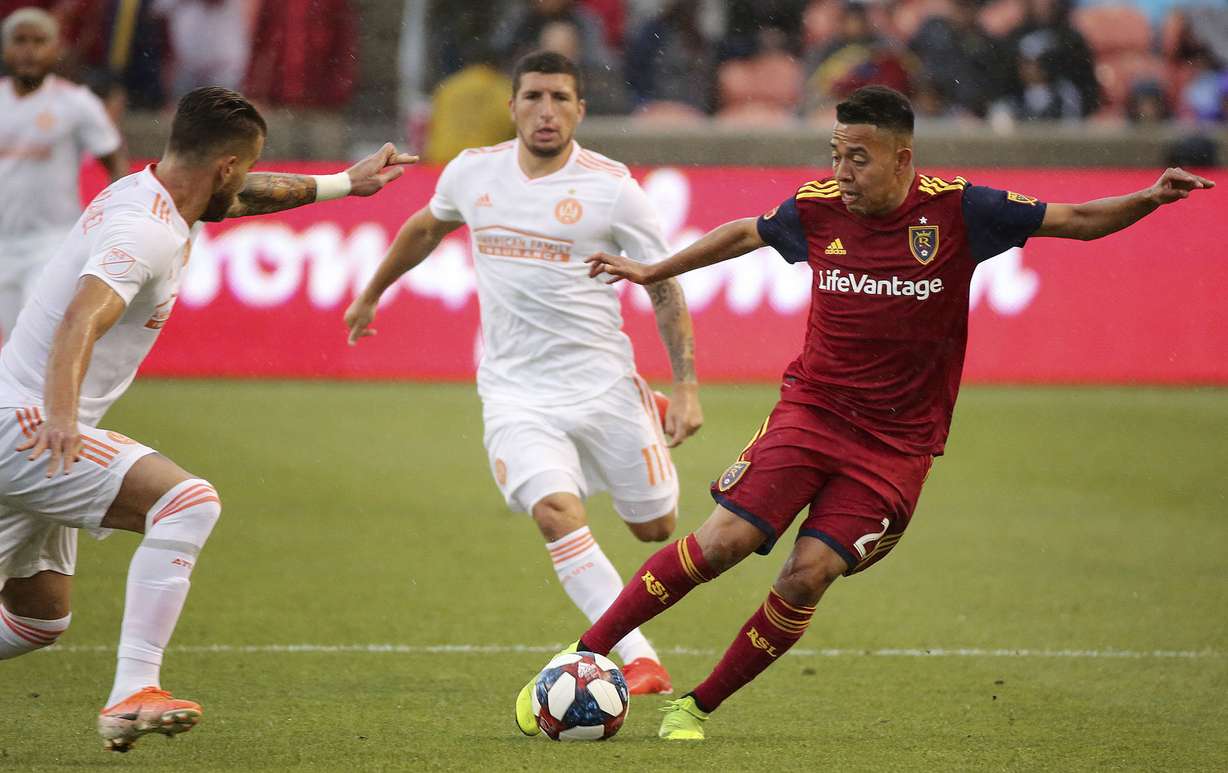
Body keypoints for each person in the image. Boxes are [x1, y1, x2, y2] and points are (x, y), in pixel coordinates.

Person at [514, 85, 1214, 741]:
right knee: (724, 541)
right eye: (835, 155)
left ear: (902, 158)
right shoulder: (817, 208)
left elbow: (1079, 221)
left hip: (897, 447)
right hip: (813, 412)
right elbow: (746, 233)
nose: (842, 172)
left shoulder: (963, 210)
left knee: (807, 573)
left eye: (858, 158)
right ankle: (582, 654)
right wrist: (653, 270)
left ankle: (695, 706)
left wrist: (1149, 197)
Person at [0, 85, 414, 752]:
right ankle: (133, 691)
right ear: (224, 167)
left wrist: (346, 182)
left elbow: (244, 198)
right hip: (29, 423)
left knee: (37, 619)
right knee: (186, 502)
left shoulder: (161, 195)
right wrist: (63, 417)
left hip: (27, 420)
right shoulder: (142, 232)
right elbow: (81, 318)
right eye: (243, 168)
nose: (245, 181)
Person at [345, 51, 703, 696]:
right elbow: (426, 228)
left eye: (560, 98)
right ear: (511, 106)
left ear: (580, 111)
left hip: (603, 383)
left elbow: (664, 285)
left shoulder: (612, 188)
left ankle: (645, 406)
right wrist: (371, 294)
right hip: (515, 393)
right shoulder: (473, 172)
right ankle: (637, 656)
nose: (546, 110)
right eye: (534, 96)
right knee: (556, 513)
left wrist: (685, 387)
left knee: (654, 528)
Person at [0, 7, 127, 345]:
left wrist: (119, 216)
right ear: (5, 48)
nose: (29, 50)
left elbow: (113, 159)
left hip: (52, 241)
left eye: (39, 41)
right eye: (20, 41)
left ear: (56, 48)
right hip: (3, 242)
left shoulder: (76, 103)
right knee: (14, 341)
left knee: (37, 332)